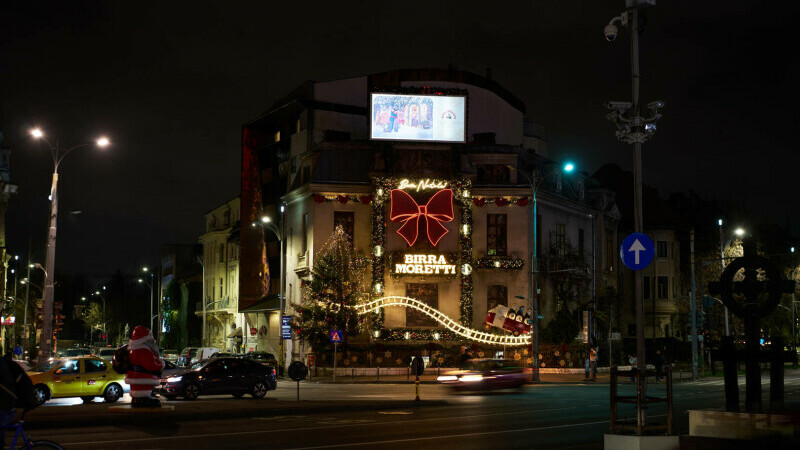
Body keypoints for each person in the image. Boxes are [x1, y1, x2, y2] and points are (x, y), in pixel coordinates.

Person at [126, 326, 165, 407]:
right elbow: (150, 365)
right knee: (142, 388)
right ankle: (142, 399)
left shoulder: (132, 350)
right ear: (145, 339)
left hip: (135, 375)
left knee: (138, 389)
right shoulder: (143, 350)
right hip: (142, 376)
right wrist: (161, 364)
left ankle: (136, 399)